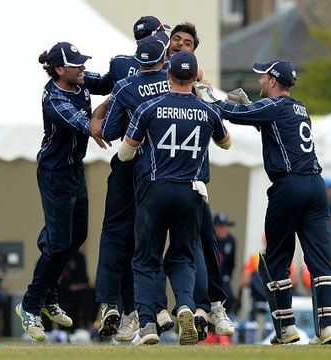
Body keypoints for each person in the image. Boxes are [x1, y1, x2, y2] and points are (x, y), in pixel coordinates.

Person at [198, 59, 331, 344]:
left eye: (262, 77)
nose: (260, 81)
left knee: (277, 256)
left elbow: (229, 113)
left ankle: (286, 329)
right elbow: (275, 130)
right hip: (316, 186)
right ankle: (328, 328)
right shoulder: (301, 108)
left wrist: (208, 96)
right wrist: (249, 106)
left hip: (288, 186)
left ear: (273, 81)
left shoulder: (272, 106)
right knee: (321, 259)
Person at [118, 51, 231, 345]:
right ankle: (185, 305)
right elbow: (226, 142)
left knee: (146, 258)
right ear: (195, 78)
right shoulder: (208, 111)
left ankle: (148, 325)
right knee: (183, 257)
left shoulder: (150, 107)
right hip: (191, 191)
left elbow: (125, 153)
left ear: (168, 75)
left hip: (156, 189)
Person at [15, 41, 113, 342]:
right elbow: (87, 125)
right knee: (58, 244)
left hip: (74, 170)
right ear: (60, 70)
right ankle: (30, 304)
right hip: (54, 174)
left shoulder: (79, 80)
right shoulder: (55, 98)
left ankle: (49, 295)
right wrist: (109, 107)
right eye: (76, 64)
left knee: (76, 236)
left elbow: (109, 81)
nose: (82, 68)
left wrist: (132, 72)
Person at [93, 32, 172, 341]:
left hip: (130, 164)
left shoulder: (126, 84)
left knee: (114, 231)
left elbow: (110, 131)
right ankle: (155, 308)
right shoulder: (176, 80)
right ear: (164, 57)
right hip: (166, 168)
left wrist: (104, 111)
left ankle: (112, 302)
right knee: (151, 239)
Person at [58, 251, 97, 332]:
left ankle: (89, 325)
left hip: (79, 291)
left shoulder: (79, 257)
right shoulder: (58, 255)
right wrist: (69, 286)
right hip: (62, 292)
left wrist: (77, 286)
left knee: (92, 294)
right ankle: (52, 330)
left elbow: (84, 279)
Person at [214, 212, 236, 313]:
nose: (223, 229)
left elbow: (232, 264)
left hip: (224, 277)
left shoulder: (231, 241)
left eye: (225, 226)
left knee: (229, 296)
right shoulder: (210, 239)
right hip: (210, 277)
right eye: (220, 226)